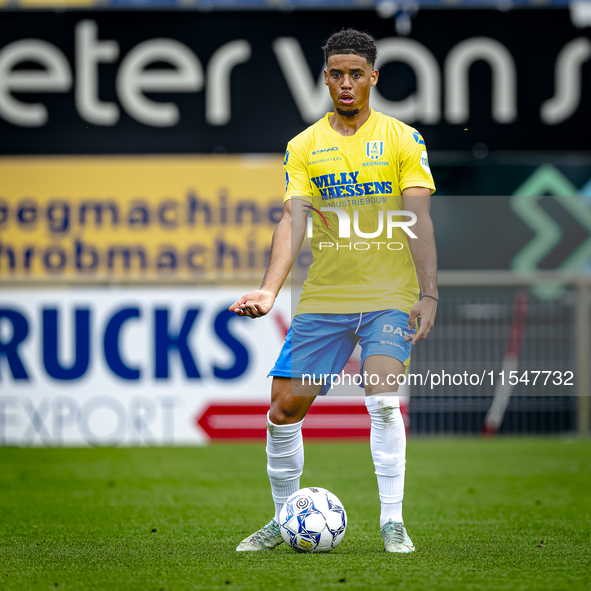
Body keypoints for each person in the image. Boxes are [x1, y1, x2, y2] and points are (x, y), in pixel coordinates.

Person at [229, 28, 437, 553]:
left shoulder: (402, 138)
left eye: (356, 74)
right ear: (326, 78)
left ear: (373, 77)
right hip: (326, 298)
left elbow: (419, 217)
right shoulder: (303, 147)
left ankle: (393, 522)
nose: (346, 84)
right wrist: (270, 290)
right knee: (282, 411)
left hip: (390, 292)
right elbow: (291, 222)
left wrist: (428, 293)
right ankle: (283, 519)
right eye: (336, 74)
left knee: (383, 398)